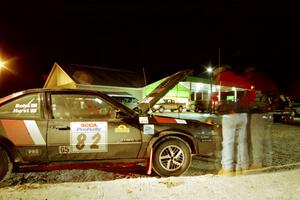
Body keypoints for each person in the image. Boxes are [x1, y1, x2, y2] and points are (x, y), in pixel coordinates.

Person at [214, 65, 254, 175]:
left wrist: (217, 106)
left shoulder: (221, 78)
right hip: (243, 114)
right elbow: (251, 94)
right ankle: (244, 166)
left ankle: (227, 168)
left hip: (229, 114)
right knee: (242, 142)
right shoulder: (241, 79)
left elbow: (215, 96)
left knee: (228, 142)